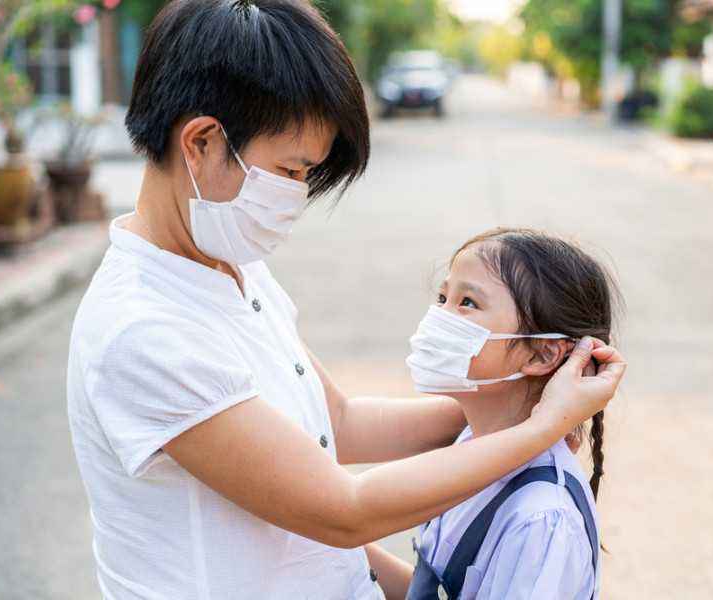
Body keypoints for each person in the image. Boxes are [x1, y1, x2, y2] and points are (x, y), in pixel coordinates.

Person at [66, 1, 627, 599]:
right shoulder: (143, 329)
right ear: (202, 141)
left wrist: (509, 403)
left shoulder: (231, 266)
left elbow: (338, 424)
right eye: (290, 169)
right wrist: (542, 425)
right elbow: (343, 509)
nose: (298, 194)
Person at [399, 228, 622, 600]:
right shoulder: (473, 442)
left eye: (467, 302)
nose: (438, 317)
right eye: (442, 297)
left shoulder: (540, 521)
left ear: (542, 353)